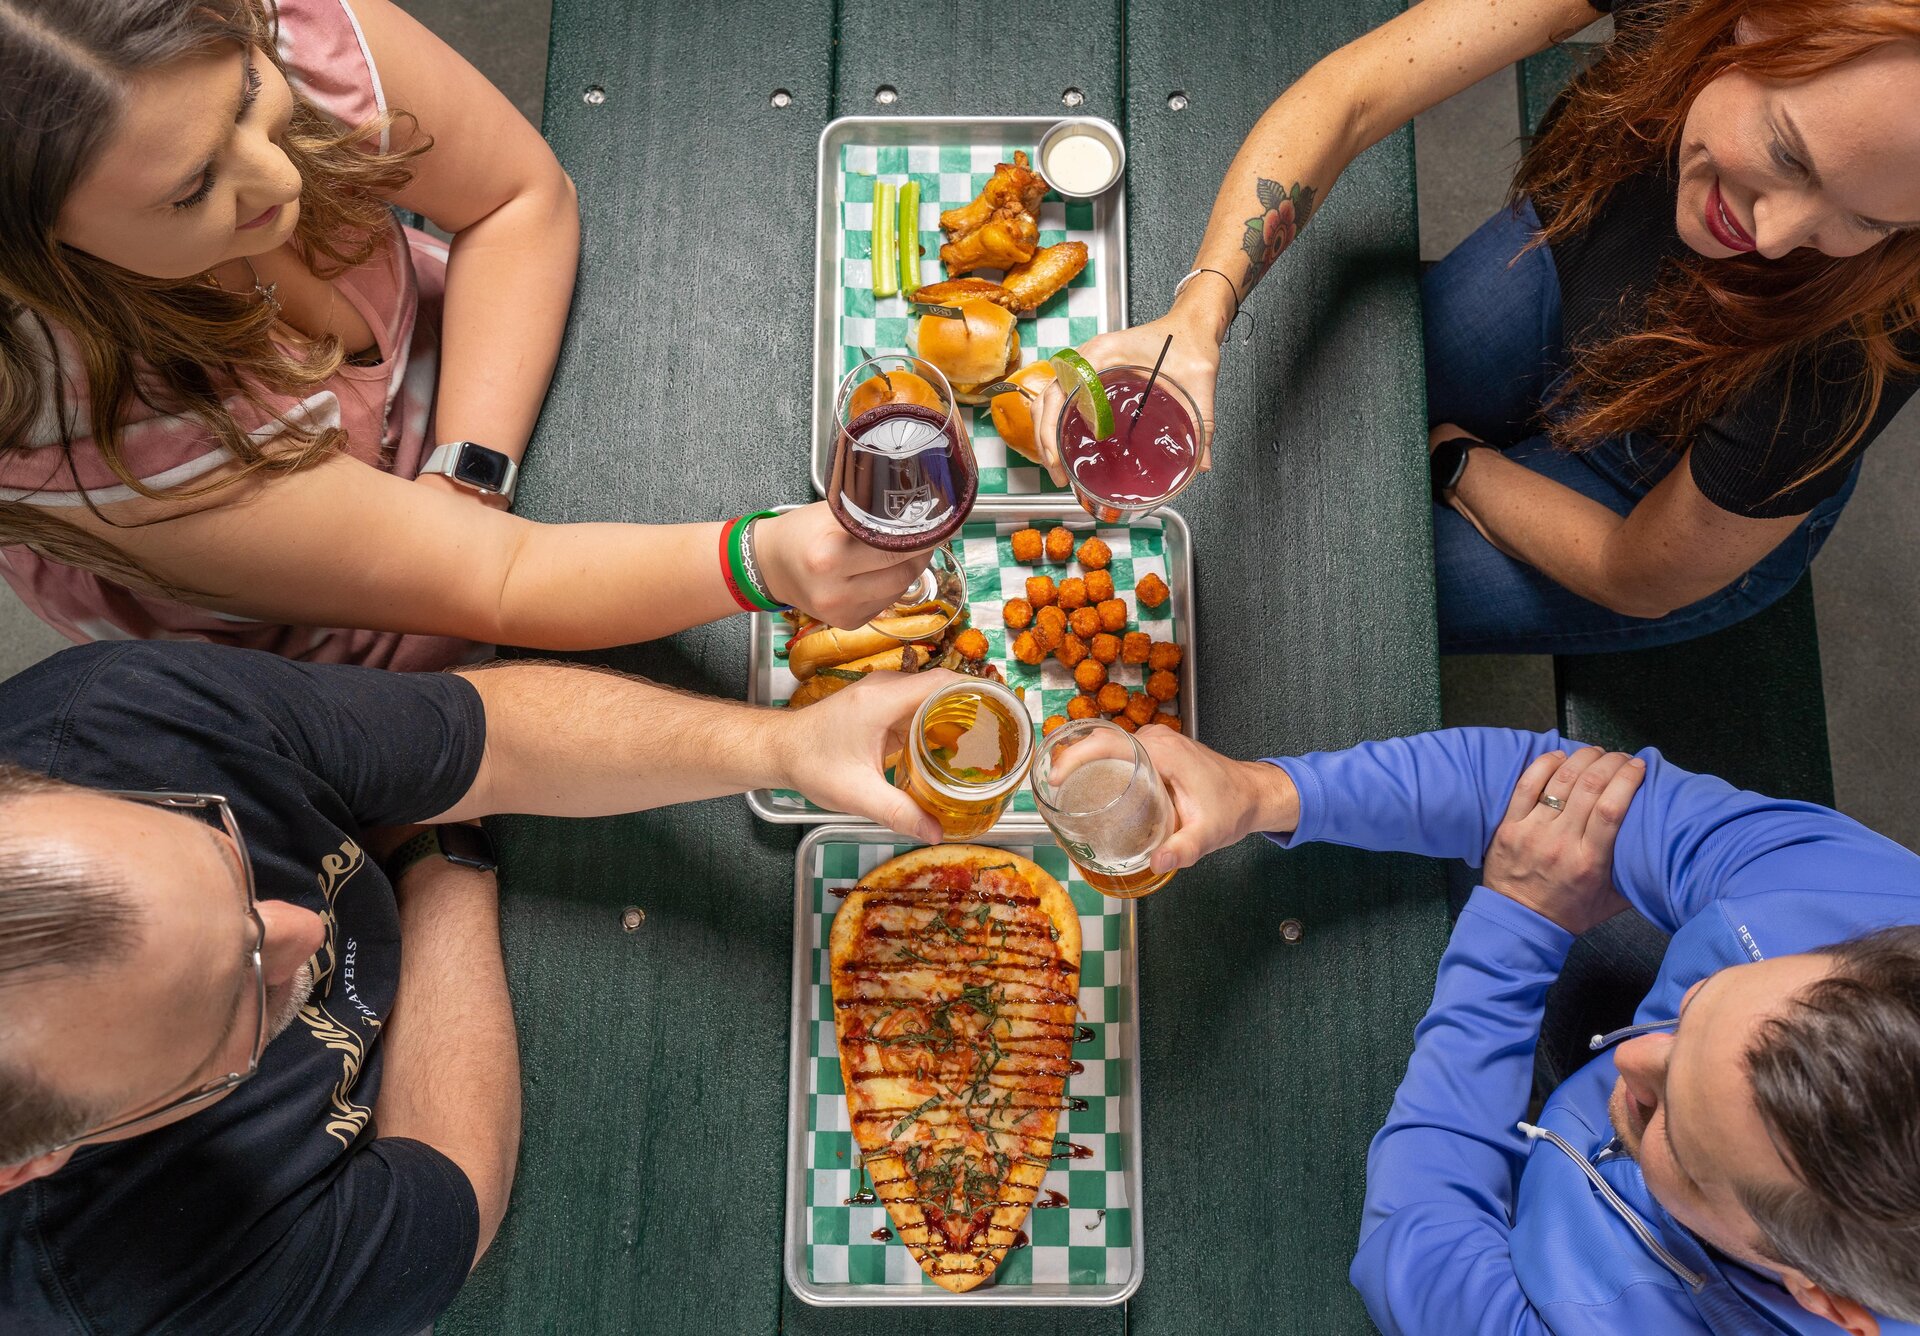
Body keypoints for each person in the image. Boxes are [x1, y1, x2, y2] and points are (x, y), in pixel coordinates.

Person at [0, 639, 954, 1333]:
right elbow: (454, 1180)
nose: (300, 924)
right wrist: (438, 853)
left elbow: (486, 741)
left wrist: (785, 748)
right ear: (32, 1163)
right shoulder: (129, 1296)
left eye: (225, 858)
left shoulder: (110, 717)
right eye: (237, 1005)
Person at [0, 0, 921, 669]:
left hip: (464, 415)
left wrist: (466, 470)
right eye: (193, 190)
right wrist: (761, 558)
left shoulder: (245, 34)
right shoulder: (92, 436)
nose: (277, 177)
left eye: (248, 93)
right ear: (33, 255)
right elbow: (495, 583)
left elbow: (519, 200)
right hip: (331, 617)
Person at [1041, 0, 1920, 654]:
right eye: (1787, 153)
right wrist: (1201, 312)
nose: (1773, 240)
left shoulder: (1864, 342)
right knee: (1292, 458)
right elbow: (1355, 95)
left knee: (1305, 604)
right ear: (1754, 21)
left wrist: (1455, 462)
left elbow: (1638, 573)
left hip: (1654, 502)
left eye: (1870, 222)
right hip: (1570, 267)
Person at [1135, 724, 1920, 1334]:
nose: (1631, 1052)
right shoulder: (1864, 901)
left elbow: (1414, 1249)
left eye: (1673, 1129)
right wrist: (1257, 790)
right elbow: (1546, 796)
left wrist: (1518, 923)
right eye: (1702, 1000)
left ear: (1822, 1300)